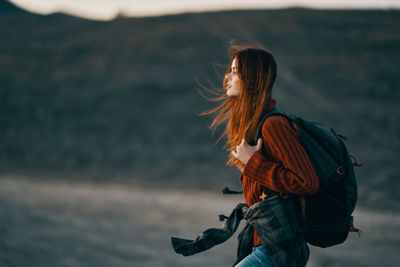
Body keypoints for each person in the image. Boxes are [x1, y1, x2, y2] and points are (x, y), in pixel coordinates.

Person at [203, 45, 320, 266]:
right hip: (266, 245)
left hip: (278, 250)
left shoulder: (274, 125)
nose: (227, 76)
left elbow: (307, 182)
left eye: (235, 71)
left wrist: (253, 163)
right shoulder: (256, 127)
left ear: (252, 77)